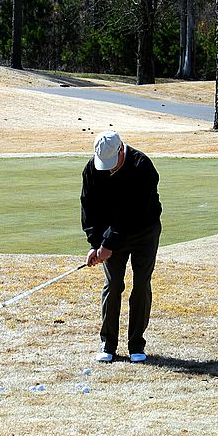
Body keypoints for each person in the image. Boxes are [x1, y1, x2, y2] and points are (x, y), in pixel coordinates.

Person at [81, 130, 162, 363]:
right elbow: (88, 206)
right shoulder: (92, 169)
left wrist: (107, 244)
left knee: (141, 283)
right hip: (110, 234)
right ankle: (108, 343)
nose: (105, 168)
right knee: (113, 283)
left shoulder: (142, 166)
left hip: (143, 231)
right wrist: (95, 244)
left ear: (120, 150)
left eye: (110, 163)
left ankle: (136, 343)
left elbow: (132, 213)